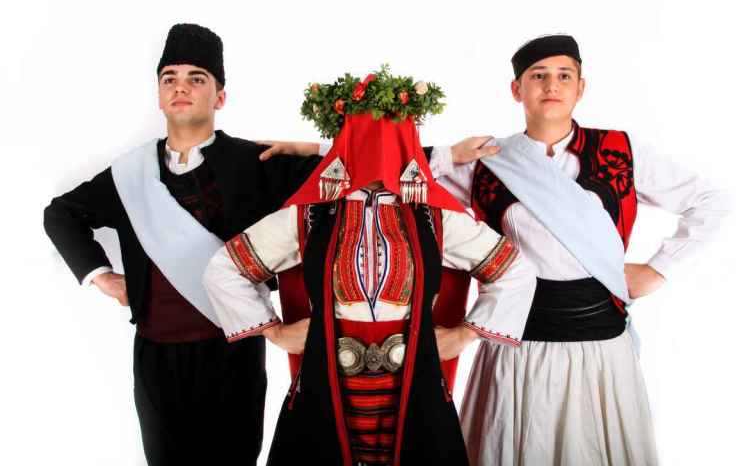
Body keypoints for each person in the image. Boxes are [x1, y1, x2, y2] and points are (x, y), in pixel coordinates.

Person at [203, 67, 538, 466]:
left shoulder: (434, 216)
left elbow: (514, 271)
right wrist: (275, 332)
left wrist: (464, 335)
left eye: (390, 135)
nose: (378, 150)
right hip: (328, 379)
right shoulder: (311, 214)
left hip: (414, 379)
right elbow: (225, 269)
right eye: (365, 134)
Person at [428, 34, 730, 465]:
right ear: (517, 89)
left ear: (580, 88)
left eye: (564, 76)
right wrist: (447, 154)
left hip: (601, 351)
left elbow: (712, 201)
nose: (552, 85)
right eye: (538, 76)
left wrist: (658, 268)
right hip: (517, 349)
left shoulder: (621, 151)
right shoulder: (486, 161)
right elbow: (390, 176)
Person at [43, 23, 322, 465]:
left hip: (233, 353)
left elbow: (364, 169)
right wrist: (104, 277)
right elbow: (60, 213)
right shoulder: (129, 174)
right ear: (158, 95)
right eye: (169, 78)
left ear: (220, 97)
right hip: (155, 358)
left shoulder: (257, 161)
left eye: (196, 78)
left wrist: (312, 148)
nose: (180, 87)